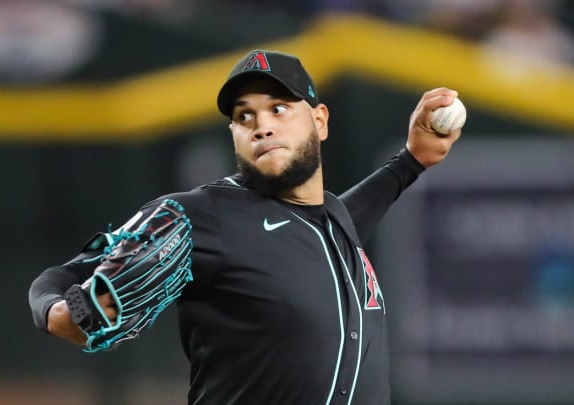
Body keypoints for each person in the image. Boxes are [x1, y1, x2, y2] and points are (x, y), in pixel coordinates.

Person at [28, 49, 463, 404]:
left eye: (279, 108)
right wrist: (59, 311)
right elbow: (64, 281)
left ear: (319, 121)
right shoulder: (201, 216)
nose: (262, 126)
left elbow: (338, 219)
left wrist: (411, 161)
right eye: (245, 116)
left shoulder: (329, 224)